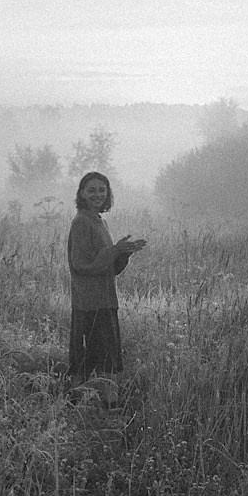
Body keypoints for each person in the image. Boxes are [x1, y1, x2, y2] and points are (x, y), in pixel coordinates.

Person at [67, 171, 146, 401]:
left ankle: (107, 411)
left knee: (105, 359)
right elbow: (82, 265)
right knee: (89, 362)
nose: (97, 194)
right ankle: (87, 411)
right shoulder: (81, 222)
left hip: (105, 300)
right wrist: (114, 250)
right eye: (91, 190)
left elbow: (108, 269)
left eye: (102, 190)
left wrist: (123, 254)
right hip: (88, 303)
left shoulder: (99, 221)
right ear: (81, 193)